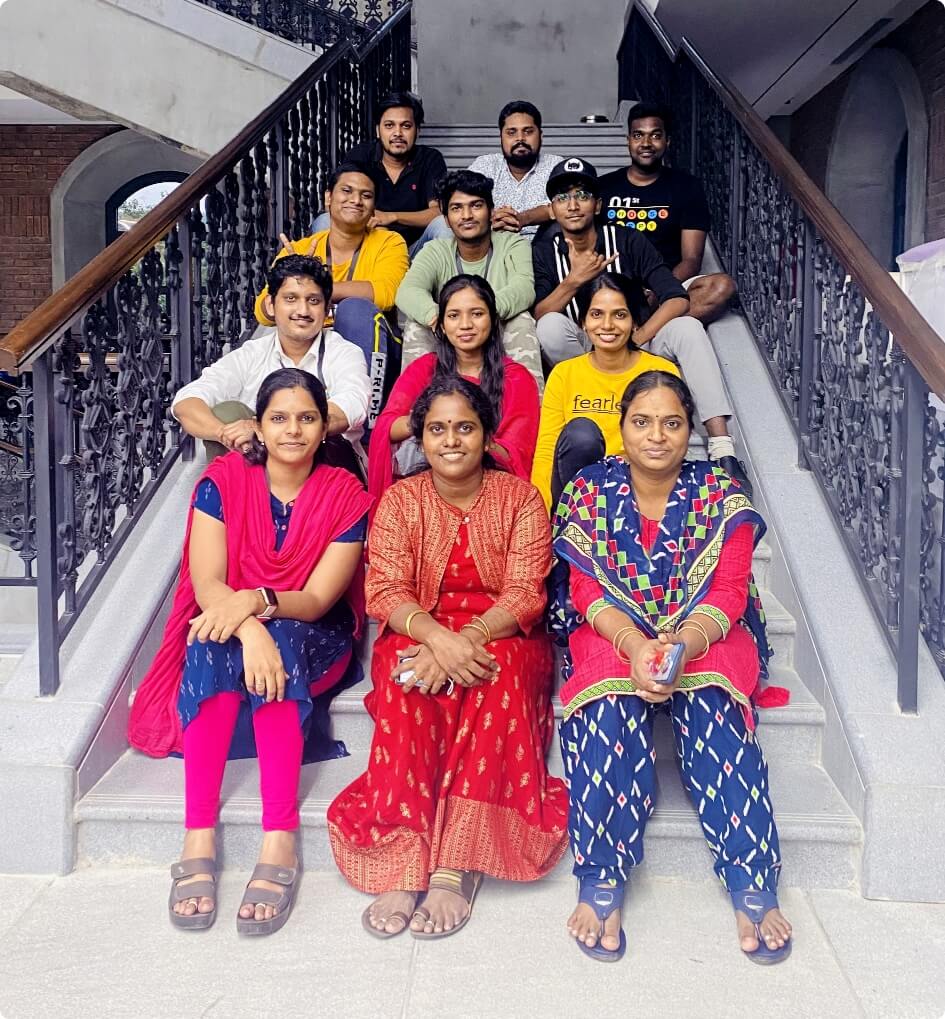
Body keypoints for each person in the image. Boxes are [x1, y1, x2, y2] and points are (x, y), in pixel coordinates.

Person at [551, 370, 792, 965]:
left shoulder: (720, 493)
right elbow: (586, 590)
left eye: (671, 423)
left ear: (690, 431)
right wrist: (635, 646)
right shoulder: (589, 490)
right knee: (607, 710)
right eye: (642, 422)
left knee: (712, 705)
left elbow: (729, 592)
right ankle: (601, 871)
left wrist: (682, 644)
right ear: (622, 427)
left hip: (707, 630)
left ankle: (750, 876)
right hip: (614, 628)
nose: (656, 436)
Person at [129, 368, 373, 936]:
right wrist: (250, 627)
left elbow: (316, 600)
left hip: (315, 633)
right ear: (257, 427)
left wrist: (258, 603)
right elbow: (207, 582)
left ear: (325, 426)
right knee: (209, 645)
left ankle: (279, 836)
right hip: (238, 625)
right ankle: (198, 834)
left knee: (280, 638)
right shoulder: (222, 482)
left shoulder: (345, 496)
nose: (293, 430)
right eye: (279, 418)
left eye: (306, 418)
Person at [328, 376, 568, 941]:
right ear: (422, 438)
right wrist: (439, 639)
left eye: (465, 428)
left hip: (505, 635)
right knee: (409, 684)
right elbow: (384, 590)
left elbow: (526, 593)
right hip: (420, 630)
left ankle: (458, 861)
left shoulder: (520, 499)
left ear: (487, 436)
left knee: (497, 683)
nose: (452, 440)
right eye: (437, 429)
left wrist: (471, 637)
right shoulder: (400, 500)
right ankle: (403, 854)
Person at [533, 156, 750, 493]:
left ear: (598, 204)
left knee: (688, 328)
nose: (573, 205)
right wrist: (575, 280)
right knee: (548, 326)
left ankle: (722, 449)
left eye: (582, 195)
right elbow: (540, 312)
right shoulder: (545, 250)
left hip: (637, 342)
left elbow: (677, 297)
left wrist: (640, 335)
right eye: (563, 197)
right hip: (585, 345)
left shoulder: (626, 239)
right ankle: (596, 393)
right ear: (552, 208)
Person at [254, 162, 410, 426]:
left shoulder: (389, 242)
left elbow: (386, 293)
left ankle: (365, 427)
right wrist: (293, 278)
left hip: (373, 345)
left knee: (355, 310)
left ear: (374, 206)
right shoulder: (300, 249)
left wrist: (308, 285)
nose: (356, 200)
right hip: (313, 346)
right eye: (346, 191)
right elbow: (263, 310)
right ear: (328, 197)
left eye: (366, 195)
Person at [173, 255, 370, 463]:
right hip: (262, 468)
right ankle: (239, 484)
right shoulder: (251, 354)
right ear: (270, 304)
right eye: (291, 299)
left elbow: (350, 407)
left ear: (327, 308)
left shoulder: (345, 353)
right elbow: (186, 402)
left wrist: (263, 427)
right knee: (227, 413)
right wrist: (224, 432)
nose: (303, 311)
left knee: (317, 431)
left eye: (313, 300)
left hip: (330, 464)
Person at [369, 274, 539, 509]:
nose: (465, 324)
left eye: (477, 314)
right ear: (441, 324)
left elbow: (516, 455)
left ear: (493, 319)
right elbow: (387, 427)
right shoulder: (424, 369)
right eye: (453, 315)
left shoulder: (517, 379)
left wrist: (469, 439)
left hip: (492, 492)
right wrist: (431, 422)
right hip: (424, 486)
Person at [531, 273, 680, 513]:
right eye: (596, 314)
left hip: (635, 490)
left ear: (635, 321)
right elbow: (547, 449)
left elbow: (671, 442)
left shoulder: (660, 372)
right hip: (576, 497)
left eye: (619, 315)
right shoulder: (564, 373)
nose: (607, 325)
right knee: (582, 434)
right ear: (582, 321)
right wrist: (538, 512)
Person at [396, 169, 543, 392]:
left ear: (491, 211)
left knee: (521, 320)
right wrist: (443, 318)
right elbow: (407, 291)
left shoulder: (513, 244)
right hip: (449, 334)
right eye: (456, 208)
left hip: (496, 329)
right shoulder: (436, 250)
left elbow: (523, 288)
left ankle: (531, 406)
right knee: (417, 325)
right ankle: (415, 408)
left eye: (476, 205)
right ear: (446, 219)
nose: (466, 215)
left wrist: (481, 315)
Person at [597, 102, 736, 324]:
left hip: (667, 285)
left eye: (655, 135)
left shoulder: (687, 187)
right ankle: (646, 323)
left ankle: (644, 326)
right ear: (628, 140)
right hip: (613, 285)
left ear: (667, 141)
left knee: (722, 287)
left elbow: (691, 259)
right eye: (638, 135)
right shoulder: (603, 187)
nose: (646, 143)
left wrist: (659, 288)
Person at [315, 92, 451, 255]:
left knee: (443, 225)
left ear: (417, 131)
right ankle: (326, 271)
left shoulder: (430, 158)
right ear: (378, 131)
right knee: (325, 221)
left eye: (406, 126)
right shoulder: (361, 155)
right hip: (367, 247)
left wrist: (391, 216)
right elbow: (339, 202)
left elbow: (438, 212)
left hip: (416, 250)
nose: (398, 133)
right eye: (389, 125)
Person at [468, 99, 562, 239]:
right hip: (490, 246)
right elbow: (459, 202)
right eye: (511, 132)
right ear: (501, 137)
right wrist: (494, 217)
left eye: (528, 132)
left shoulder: (555, 165)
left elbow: (570, 205)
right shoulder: (485, 165)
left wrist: (523, 218)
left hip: (543, 247)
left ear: (541, 136)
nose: (520, 138)